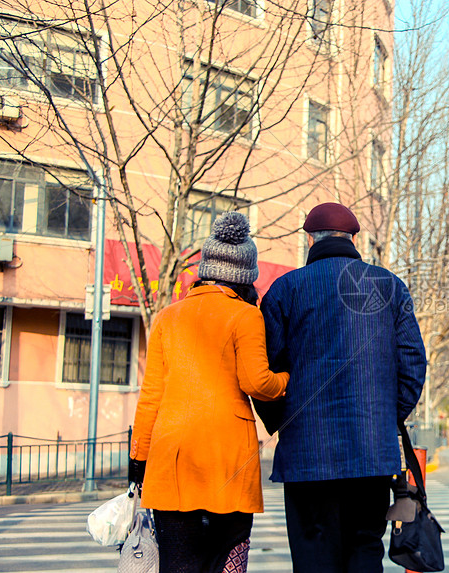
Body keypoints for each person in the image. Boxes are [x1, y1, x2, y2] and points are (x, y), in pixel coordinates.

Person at [255, 202, 426, 573]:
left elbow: (263, 371)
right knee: (365, 551)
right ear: (352, 238)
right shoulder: (390, 287)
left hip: (306, 457)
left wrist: (283, 421)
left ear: (310, 240)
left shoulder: (285, 290)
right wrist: (383, 416)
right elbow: (413, 365)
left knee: (314, 555)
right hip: (371, 454)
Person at [128, 211, 289, 573]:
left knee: (178, 564)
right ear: (246, 277)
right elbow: (258, 383)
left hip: (171, 465)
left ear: (204, 268)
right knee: (225, 560)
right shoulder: (246, 316)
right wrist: (288, 379)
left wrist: (137, 462)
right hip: (227, 463)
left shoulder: (167, 317)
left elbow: (150, 396)